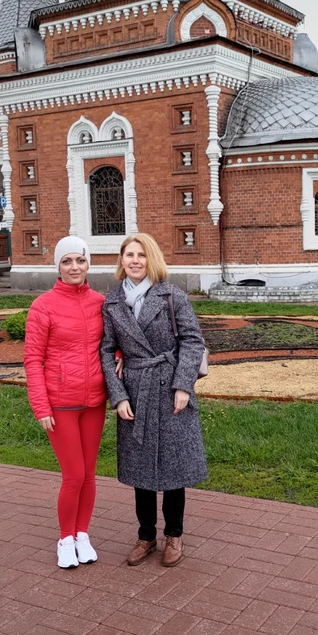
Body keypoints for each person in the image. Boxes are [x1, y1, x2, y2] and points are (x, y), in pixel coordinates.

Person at [100, 233, 208, 568]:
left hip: (170, 388)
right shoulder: (113, 301)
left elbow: (192, 341)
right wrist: (117, 396)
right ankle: (146, 535)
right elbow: (105, 350)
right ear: (121, 260)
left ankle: (174, 535)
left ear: (152, 259)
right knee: (140, 470)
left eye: (141, 255)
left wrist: (183, 386)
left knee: (174, 469)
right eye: (128, 255)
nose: (134, 261)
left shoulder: (172, 295)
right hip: (134, 390)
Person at [24, 236, 107, 569]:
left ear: (89, 264)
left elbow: (113, 342)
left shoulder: (101, 301)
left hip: (94, 402)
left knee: (89, 475)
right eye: (67, 261)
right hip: (60, 404)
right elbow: (32, 359)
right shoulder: (43, 306)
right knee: (73, 475)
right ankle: (65, 539)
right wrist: (41, 407)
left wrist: (115, 357)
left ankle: (83, 535)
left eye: (80, 260)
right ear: (57, 266)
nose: (75, 267)